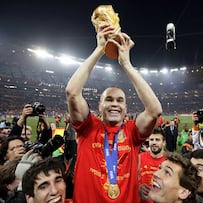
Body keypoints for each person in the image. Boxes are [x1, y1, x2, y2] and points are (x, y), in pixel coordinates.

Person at [65, 26, 162, 202]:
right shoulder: (88, 127)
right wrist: (99, 50)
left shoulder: (132, 131)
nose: (114, 104)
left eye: (120, 100)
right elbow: (72, 92)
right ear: (100, 106)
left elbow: (154, 110)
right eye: (109, 100)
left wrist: (126, 65)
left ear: (125, 109)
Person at [138, 127, 166, 203]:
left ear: (164, 142)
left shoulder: (168, 161)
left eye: (157, 140)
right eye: (151, 139)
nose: (154, 142)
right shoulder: (139, 158)